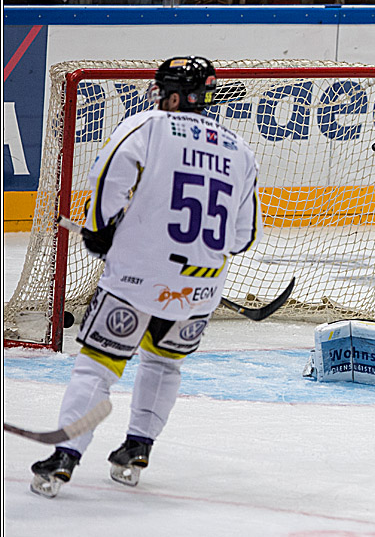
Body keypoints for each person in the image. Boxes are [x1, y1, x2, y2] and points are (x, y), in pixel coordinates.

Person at [29, 57, 263, 498]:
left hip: (137, 279)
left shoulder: (148, 125)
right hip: (202, 286)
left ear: (174, 94)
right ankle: (138, 447)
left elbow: (107, 184)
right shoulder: (240, 149)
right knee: (164, 362)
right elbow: (242, 237)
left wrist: (100, 229)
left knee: (98, 365)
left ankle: (65, 455)